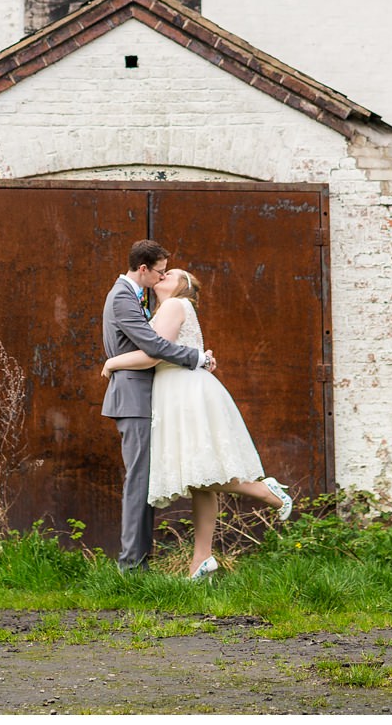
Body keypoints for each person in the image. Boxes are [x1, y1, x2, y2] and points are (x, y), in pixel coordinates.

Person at [102, 267, 295, 579]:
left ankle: (264, 491)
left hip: (184, 392)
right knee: (199, 477)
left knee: (199, 472)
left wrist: (112, 362)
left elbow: (152, 355)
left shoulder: (175, 305)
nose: (164, 275)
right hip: (179, 388)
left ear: (184, 286)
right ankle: (202, 559)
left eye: (173, 274)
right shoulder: (170, 308)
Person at [101, 239, 211, 572]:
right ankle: (131, 566)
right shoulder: (122, 297)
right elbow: (151, 345)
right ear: (144, 269)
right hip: (132, 399)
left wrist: (115, 362)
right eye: (160, 272)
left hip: (143, 397)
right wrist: (196, 357)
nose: (162, 277)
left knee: (145, 480)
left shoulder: (136, 296)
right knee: (139, 480)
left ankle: (138, 562)